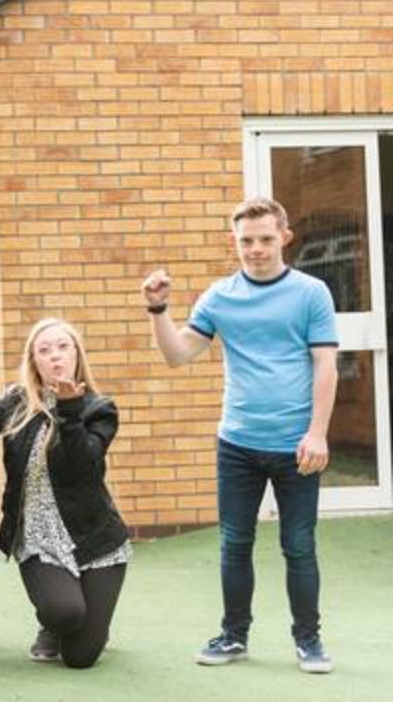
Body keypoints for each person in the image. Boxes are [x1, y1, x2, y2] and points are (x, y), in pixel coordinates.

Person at [142, 196, 338, 674]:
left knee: (299, 545)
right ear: (235, 241)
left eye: (266, 239)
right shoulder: (219, 297)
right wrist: (158, 309)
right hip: (237, 444)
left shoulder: (311, 293)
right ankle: (233, 637)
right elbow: (178, 355)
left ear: (284, 238)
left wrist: (317, 433)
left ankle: (308, 640)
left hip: (296, 445)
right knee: (234, 543)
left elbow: (325, 365)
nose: (255, 249)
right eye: (246, 241)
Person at [0, 318, 130, 669]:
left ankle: (94, 628)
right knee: (64, 613)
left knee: (79, 658)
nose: (55, 357)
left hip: (96, 540)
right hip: (38, 537)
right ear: (34, 361)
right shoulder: (17, 402)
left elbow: (82, 464)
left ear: (77, 354)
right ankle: (54, 623)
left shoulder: (99, 409)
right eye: (44, 351)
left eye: (63, 347)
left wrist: (70, 409)